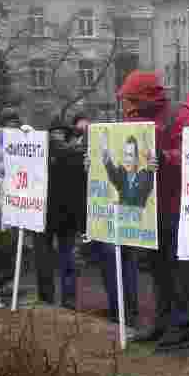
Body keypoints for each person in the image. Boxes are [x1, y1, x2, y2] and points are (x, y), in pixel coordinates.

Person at [115, 71, 189, 351]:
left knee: (179, 268)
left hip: (176, 205)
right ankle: (161, 322)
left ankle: (180, 325)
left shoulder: (179, 115)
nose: (128, 106)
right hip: (148, 206)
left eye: (131, 99)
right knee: (157, 268)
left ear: (147, 96)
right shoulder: (134, 119)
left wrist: (165, 158)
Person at [76, 114, 139, 326]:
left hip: (116, 218)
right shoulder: (119, 165)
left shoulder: (124, 168)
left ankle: (122, 310)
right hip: (111, 217)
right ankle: (125, 308)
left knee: (117, 264)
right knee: (119, 264)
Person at [35, 124, 84, 310]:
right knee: (64, 258)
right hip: (63, 215)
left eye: (59, 134)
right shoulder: (76, 154)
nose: (57, 138)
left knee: (47, 257)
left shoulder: (41, 153)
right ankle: (67, 299)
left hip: (46, 214)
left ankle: (47, 297)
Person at [101, 133, 155, 208]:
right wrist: (105, 154)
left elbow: (150, 176)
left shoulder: (144, 177)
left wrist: (150, 161)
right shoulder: (121, 174)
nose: (127, 160)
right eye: (125, 155)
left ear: (136, 159)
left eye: (130, 155)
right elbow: (112, 172)